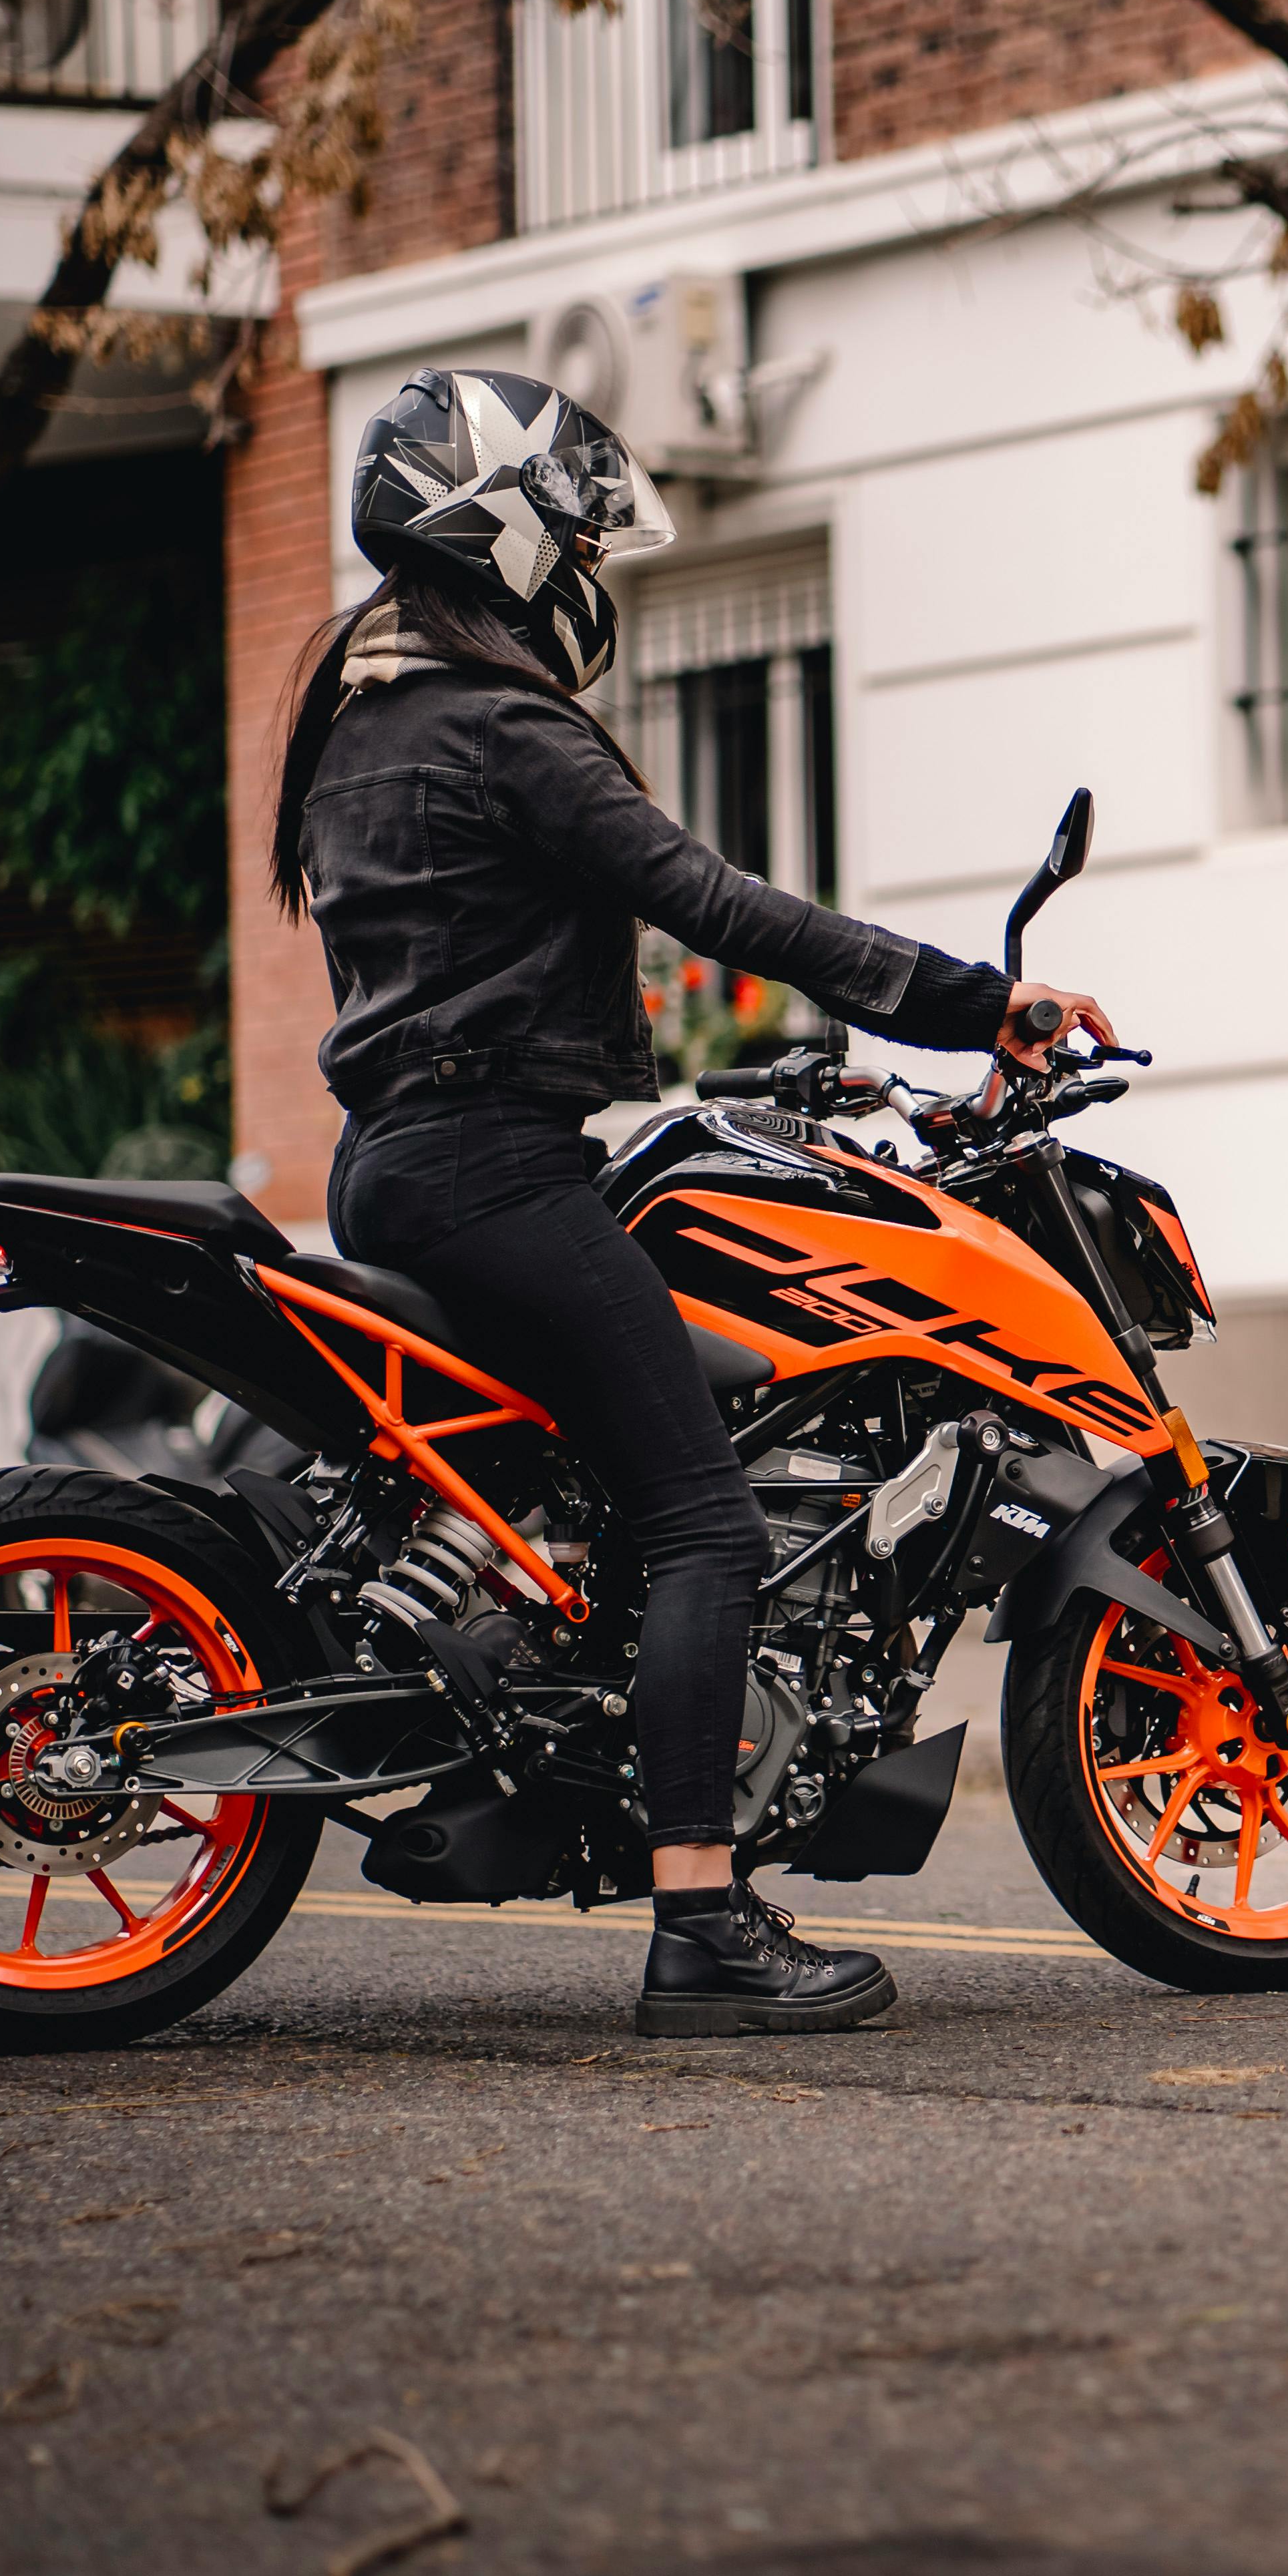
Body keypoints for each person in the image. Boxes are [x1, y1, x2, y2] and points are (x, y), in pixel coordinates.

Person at [269, 367, 1116, 2031]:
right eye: (576, 533)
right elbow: (710, 900)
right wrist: (970, 1001)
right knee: (703, 1523)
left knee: (593, 1506)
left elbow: (476, 960)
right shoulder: (503, 725)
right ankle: (703, 1928)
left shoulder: (363, 727)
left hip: (405, 1162)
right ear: (503, 538)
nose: (590, 567)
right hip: (495, 1166)